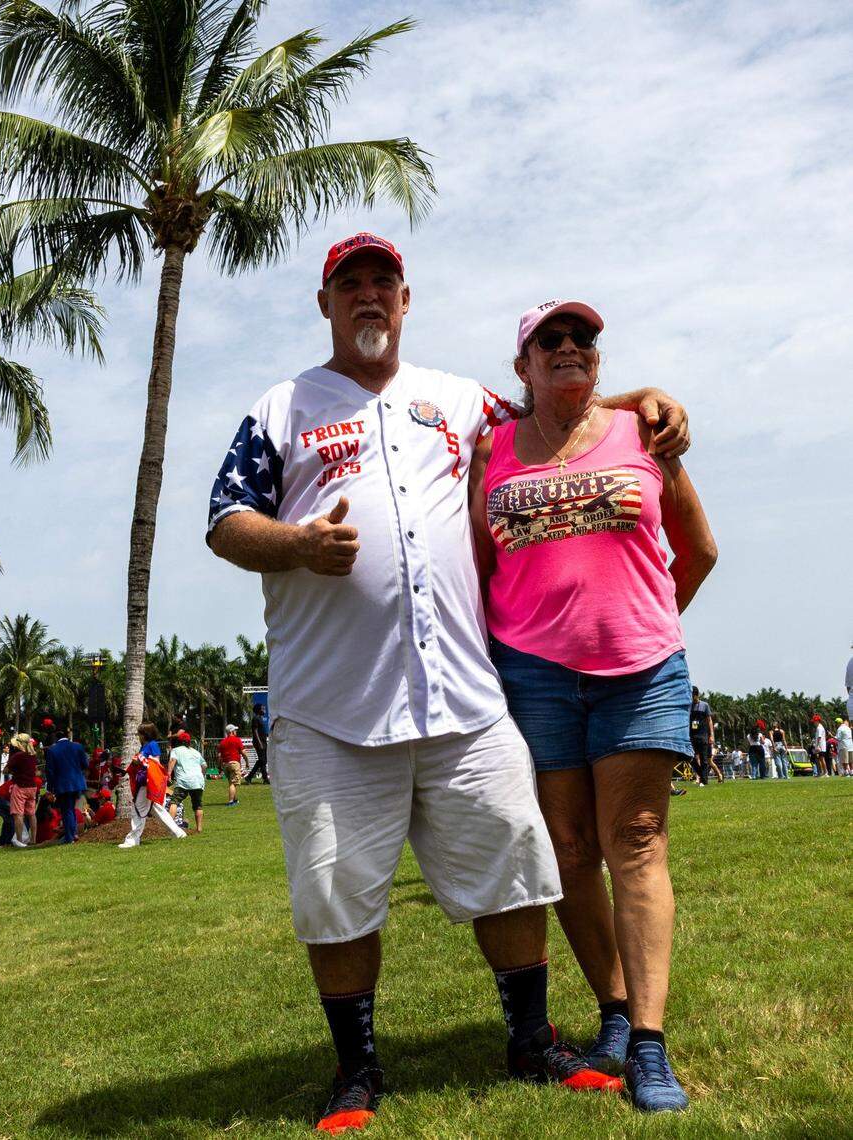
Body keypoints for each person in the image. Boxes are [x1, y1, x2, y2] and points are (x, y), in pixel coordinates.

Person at [207, 235, 690, 1130]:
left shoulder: (456, 399)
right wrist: (300, 546)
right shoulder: (282, 406)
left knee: (514, 864)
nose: (367, 300)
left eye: (381, 285)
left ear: (404, 301)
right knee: (335, 887)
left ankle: (530, 1036)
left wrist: (640, 400)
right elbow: (225, 521)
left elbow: (551, 400)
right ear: (325, 307)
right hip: (332, 709)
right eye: (348, 286)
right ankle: (356, 1069)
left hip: (462, 699)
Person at [470, 298, 716, 1112]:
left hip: (641, 671)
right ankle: (611, 1010)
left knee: (636, 840)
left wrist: (643, 619)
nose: (572, 347)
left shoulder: (641, 434)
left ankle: (648, 1044)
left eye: (585, 340)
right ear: (524, 365)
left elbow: (700, 549)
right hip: (534, 676)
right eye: (553, 339)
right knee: (571, 850)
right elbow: (480, 568)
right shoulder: (491, 450)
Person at [118, 722, 186, 848]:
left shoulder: (152, 745)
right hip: (144, 782)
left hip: (147, 783)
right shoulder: (145, 746)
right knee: (158, 811)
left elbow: (155, 763)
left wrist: (139, 761)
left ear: (145, 734)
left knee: (138, 810)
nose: (138, 735)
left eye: (140, 733)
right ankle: (178, 833)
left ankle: (132, 839)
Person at [45, 728, 89, 845]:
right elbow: (85, 764)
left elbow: (50, 771)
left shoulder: (52, 750)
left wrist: (50, 788)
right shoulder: (77, 746)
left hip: (63, 784)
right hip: (77, 782)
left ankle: (70, 837)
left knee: (66, 810)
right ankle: (73, 833)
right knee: (72, 809)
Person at [169, 730, 207, 833]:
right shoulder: (196, 752)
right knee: (198, 805)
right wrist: (202, 775)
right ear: (189, 742)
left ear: (179, 742)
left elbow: (172, 761)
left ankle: (170, 828)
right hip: (197, 781)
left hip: (183, 781)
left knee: (174, 802)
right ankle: (199, 829)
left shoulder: (175, 750)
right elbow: (204, 765)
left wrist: (168, 775)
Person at [5, 733, 40, 847]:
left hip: (20, 786)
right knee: (32, 814)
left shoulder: (18, 756)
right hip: (32, 787)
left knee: (18, 815)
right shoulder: (33, 755)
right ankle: (33, 839)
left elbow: (6, 770)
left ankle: (19, 840)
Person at [688, 689, 719, 785]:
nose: (692, 698)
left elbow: (709, 720)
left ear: (697, 695)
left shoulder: (705, 705)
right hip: (692, 735)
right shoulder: (689, 706)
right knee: (690, 757)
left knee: (704, 759)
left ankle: (704, 781)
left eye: (693, 696)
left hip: (703, 735)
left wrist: (711, 735)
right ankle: (702, 775)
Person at [216, 725, 248, 807]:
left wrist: (219, 767)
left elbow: (219, 756)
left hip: (225, 764)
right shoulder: (237, 740)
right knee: (233, 783)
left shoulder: (222, 742)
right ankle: (230, 801)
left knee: (231, 782)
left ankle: (234, 799)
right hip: (234, 763)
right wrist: (247, 762)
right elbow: (243, 752)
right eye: (235, 730)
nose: (236, 732)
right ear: (231, 731)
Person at [245, 704, 271, 784]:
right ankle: (265, 779)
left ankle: (249, 777)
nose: (264, 709)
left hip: (263, 741)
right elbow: (255, 731)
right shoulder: (255, 718)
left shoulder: (260, 718)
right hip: (259, 742)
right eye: (262, 708)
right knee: (262, 760)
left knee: (262, 761)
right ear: (258, 710)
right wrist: (259, 743)